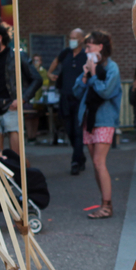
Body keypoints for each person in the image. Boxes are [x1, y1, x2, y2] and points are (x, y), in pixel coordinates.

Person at [73, 31, 121, 219]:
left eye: (89, 47)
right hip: (89, 120)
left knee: (99, 162)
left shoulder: (112, 68)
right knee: (96, 164)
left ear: (100, 47)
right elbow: (77, 92)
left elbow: (106, 91)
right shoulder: (91, 66)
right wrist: (85, 74)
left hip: (104, 120)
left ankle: (106, 207)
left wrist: (93, 74)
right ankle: (104, 202)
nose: (86, 51)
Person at [0, 18, 39, 157]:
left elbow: (37, 79)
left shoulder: (17, 56)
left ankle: (23, 178)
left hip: (11, 108)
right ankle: (5, 178)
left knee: (16, 158)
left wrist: (22, 99)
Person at [51, 28, 87, 174]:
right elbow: (56, 61)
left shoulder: (85, 56)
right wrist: (49, 72)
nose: (71, 40)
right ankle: (81, 157)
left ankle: (75, 162)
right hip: (65, 97)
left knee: (78, 131)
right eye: (70, 37)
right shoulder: (66, 52)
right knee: (69, 130)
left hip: (79, 99)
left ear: (81, 39)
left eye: (74, 37)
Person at [25, 53, 51, 143]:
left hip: (38, 98)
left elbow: (45, 84)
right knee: (28, 117)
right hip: (29, 97)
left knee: (35, 116)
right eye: (34, 60)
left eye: (37, 60)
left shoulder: (43, 72)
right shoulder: (29, 71)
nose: (36, 62)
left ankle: (33, 136)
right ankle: (29, 136)